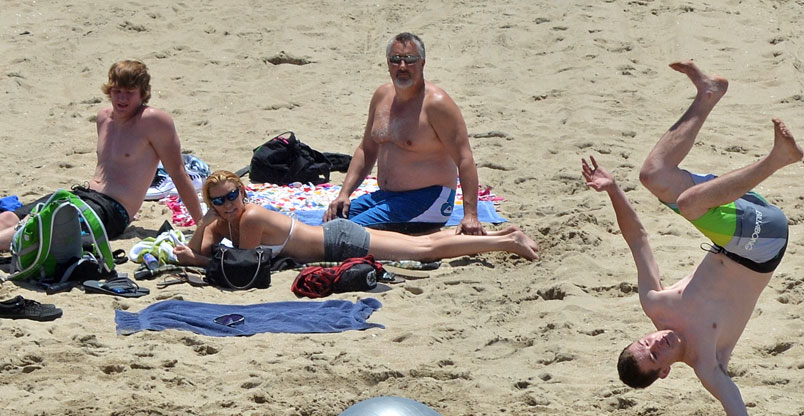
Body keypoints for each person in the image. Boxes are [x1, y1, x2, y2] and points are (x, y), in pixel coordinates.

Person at [582, 60, 804, 416]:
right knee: (687, 204)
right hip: (764, 244)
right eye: (654, 355)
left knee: (653, 176)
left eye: (644, 341)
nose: (655, 342)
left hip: (741, 216)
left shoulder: (657, 303)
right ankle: (779, 159)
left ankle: (708, 93)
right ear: (664, 373)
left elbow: (638, 238)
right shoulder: (708, 363)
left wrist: (612, 190)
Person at [0, 59, 204, 250]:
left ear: (143, 94)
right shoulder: (104, 118)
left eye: (130, 92)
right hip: (81, 195)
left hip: (112, 210)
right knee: (8, 218)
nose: (122, 98)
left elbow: (178, 173)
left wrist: (202, 225)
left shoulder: (153, 121)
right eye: (117, 91)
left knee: (35, 227)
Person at [174, 170, 539, 267]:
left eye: (232, 195)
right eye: (218, 201)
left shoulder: (250, 217)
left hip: (339, 241)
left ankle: (506, 242)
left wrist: (199, 258)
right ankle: (503, 236)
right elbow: (197, 247)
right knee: (421, 245)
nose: (228, 205)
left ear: (243, 192)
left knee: (424, 249)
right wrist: (206, 220)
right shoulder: (225, 218)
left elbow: (242, 264)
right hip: (333, 239)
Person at [323, 32, 485, 236]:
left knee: (341, 234)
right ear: (388, 63)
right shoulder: (382, 96)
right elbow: (367, 148)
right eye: (395, 60)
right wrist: (344, 194)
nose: (402, 67)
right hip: (387, 197)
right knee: (330, 222)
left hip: (429, 199)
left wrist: (471, 215)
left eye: (410, 60)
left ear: (422, 63)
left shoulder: (436, 104)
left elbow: (464, 158)